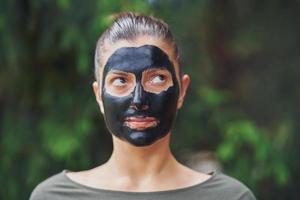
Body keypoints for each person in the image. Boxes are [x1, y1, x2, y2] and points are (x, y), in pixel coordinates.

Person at [30, 12, 256, 200]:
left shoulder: (230, 197)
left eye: (157, 79)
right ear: (99, 96)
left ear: (182, 90)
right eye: (120, 81)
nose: (139, 100)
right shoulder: (53, 197)